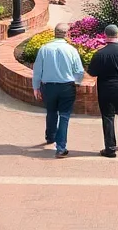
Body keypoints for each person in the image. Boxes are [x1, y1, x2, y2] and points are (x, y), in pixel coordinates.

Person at [31, 23, 84, 158]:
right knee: (64, 116)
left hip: (48, 86)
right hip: (66, 86)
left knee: (51, 111)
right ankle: (61, 147)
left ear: (55, 33)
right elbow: (79, 71)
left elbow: (37, 70)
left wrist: (36, 87)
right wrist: (76, 82)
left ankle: (50, 136)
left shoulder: (44, 49)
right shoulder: (71, 50)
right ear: (67, 34)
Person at [87, 23, 118, 158]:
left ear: (105, 36)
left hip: (105, 88)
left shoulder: (100, 53)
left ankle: (110, 148)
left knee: (108, 117)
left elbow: (92, 72)